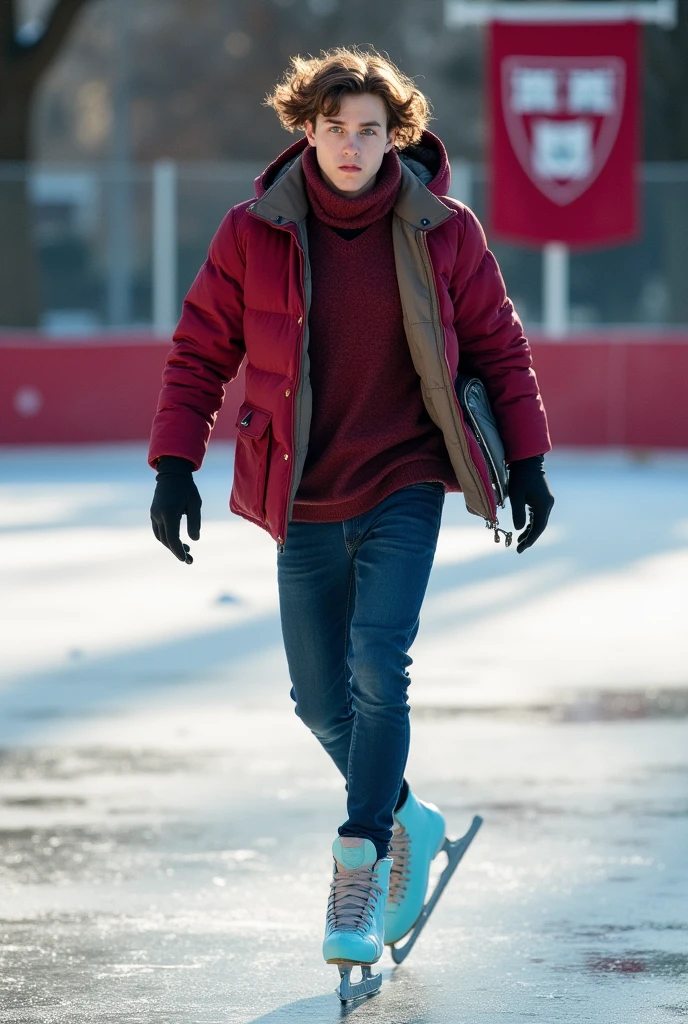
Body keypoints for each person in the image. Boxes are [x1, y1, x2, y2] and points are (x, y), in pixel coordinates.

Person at [149, 45, 553, 995]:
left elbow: (499, 344)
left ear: (395, 136)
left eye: (371, 129)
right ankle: (405, 813)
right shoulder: (254, 233)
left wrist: (528, 461)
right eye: (335, 127)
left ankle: (361, 863)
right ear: (307, 129)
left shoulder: (443, 229)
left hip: (406, 480)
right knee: (318, 699)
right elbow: (200, 348)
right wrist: (174, 463)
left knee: (381, 660)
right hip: (304, 494)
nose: (352, 145)